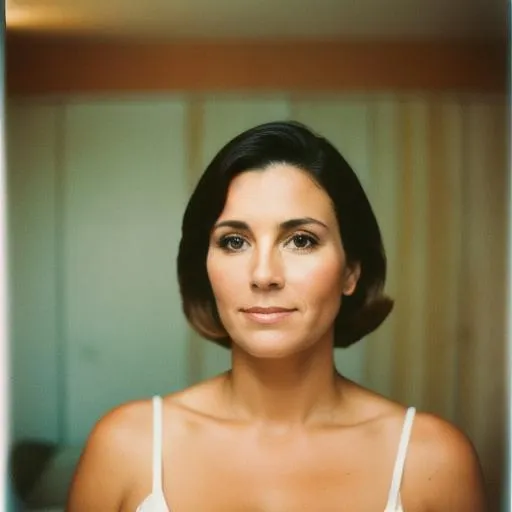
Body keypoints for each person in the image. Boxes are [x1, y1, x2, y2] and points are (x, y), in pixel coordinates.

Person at [67, 121, 487, 511]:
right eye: (234, 242)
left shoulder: (433, 459)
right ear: (205, 266)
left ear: (351, 271)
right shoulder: (126, 446)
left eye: (301, 240)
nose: (264, 274)